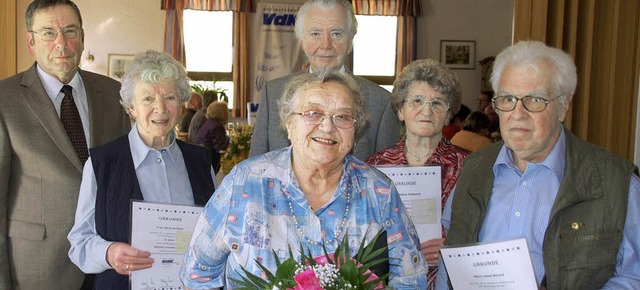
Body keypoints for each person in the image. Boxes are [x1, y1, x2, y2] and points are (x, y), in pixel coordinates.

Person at [180, 71, 428, 289]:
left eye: (342, 117)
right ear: (289, 124)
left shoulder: (379, 191)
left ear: (356, 129)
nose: (327, 127)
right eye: (313, 113)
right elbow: (197, 274)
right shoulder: (245, 182)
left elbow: (410, 278)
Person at [436, 41, 640, 289]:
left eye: (534, 99)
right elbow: (450, 256)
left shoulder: (615, 182)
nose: (518, 113)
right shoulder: (473, 168)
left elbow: (633, 276)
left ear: (564, 105)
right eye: (508, 98)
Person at [0, 0, 130, 289]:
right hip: (37, 267)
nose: (61, 42)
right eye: (48, 32)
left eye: (70, 31)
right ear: (31, 42)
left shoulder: (113, 93)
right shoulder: (5, 100)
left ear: (82, 39)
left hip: (107, 263)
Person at [67, 50, 216, 290]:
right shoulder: (102, 163)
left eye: (170, 97)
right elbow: (79, 243)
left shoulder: (201, 163)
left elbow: (214, 235)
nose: (160, 109)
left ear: (181, 104)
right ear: (132, 108)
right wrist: (109, 252)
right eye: (147, 99)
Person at [249, 0, 399, 161]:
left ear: (350, 41)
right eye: (315, 34)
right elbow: (255, 167)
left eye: (336, 33)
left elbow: (385, 177)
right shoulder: (272, 93)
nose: (326, 45)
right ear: (301, 41)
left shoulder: (382, 103)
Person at [365, 58, 469, 289]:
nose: (427, 111)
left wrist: (454, 246)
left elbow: (484, 228)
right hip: (391, 279)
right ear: (401, 110)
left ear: (449, 113)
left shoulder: (469, 166)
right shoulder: (375, 166)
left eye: (437, 102)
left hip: (448, 277)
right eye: (417, 101)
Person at [195, 101, 230, 174]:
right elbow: (220, 147)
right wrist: (228, 140)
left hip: (201, 160)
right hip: (210, 163)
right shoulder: (217, 126)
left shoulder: (208, 123)